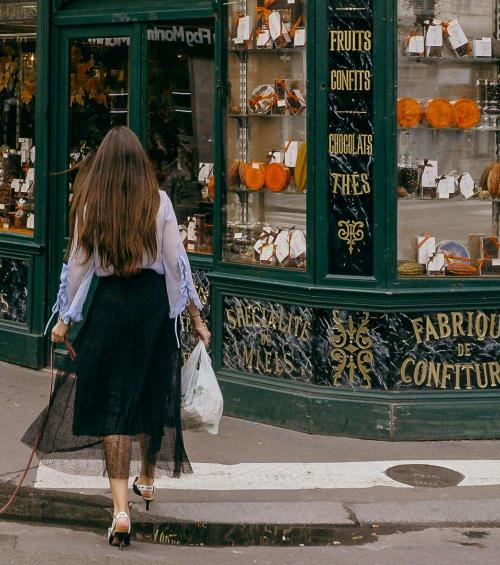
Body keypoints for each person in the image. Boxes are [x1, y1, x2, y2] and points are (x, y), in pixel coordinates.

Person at [22, 126, 210, 549]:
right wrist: (194, 317)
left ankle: (120, 509)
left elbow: (78, 269)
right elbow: (176, 266)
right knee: (149, 394)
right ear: (140, 164)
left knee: (113, 406)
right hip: (150, 309)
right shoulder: (158, 202)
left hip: (109, 308)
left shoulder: (92, 205)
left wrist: (64, 321)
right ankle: (147, 477)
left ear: (103, 166)